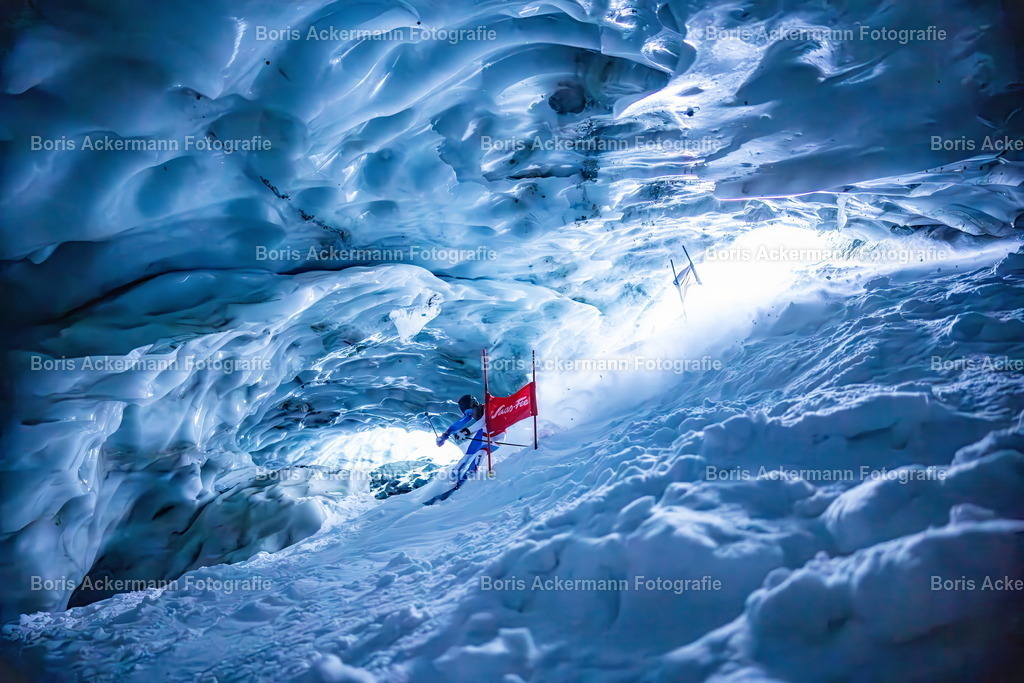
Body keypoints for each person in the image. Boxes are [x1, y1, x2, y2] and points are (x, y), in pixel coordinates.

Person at [427, 395, 497, 503]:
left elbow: (481, 422)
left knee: (480, 456)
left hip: (495, 436)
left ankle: (462, 484)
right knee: (465, 459)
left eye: (470, 412)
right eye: (467, 414)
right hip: (482, 434)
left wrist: (466, 431)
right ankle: (450, 482)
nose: (470, 416)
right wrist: (445, 435)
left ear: (475, 405)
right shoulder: (472, 412)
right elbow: (460, 423)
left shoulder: (488, 408)